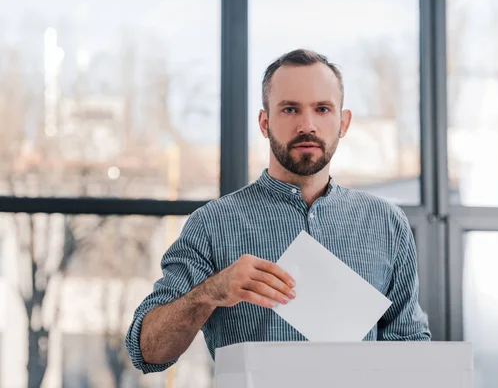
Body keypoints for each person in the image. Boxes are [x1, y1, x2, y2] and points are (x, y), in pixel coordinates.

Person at [125, 49, 431, 374]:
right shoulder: (212, 224)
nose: (307, 125)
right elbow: (147, 351)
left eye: (322, 109)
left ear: (343, 123)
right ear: (264, 122)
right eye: (290, 109)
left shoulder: (386, 223)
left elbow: (410, 347)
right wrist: (212, 291)